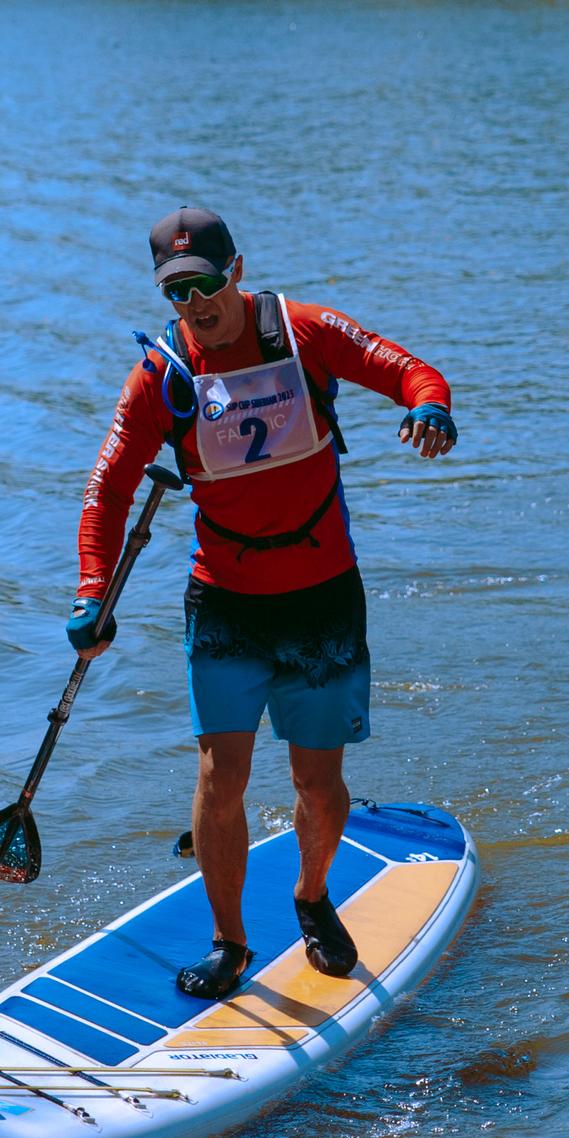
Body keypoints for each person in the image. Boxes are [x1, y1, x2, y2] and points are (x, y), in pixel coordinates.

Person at [69, 208, 455, 1002]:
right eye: (176, 292)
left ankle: (311, 895)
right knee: (222, 770)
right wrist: (89, 590)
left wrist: (428, 408)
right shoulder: (160, 376)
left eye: (206, 284)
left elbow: (409, 370)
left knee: (317, 785)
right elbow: (106, 493)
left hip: (321, 598)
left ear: (236, 272)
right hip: (225, 601)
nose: (196, 304)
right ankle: (230, 942)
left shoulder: (306, 332)